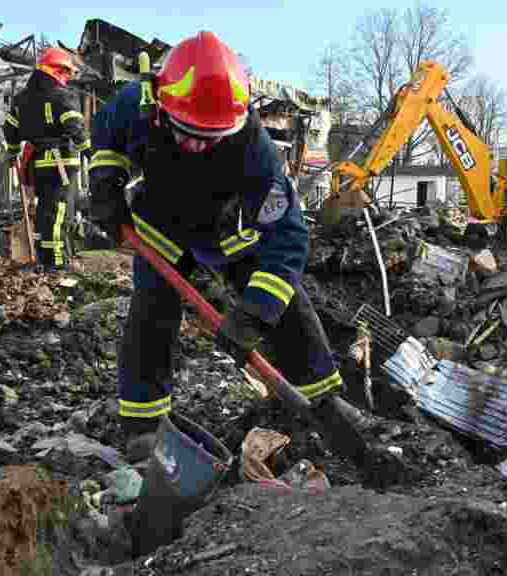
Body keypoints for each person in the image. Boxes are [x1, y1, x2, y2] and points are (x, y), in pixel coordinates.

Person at [87, 31, 345, 456]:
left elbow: (287, 235)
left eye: (210, 137)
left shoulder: (256, 150)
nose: (196, 145)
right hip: (160, 228)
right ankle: (144, 424)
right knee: (150, 315)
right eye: (186, 131)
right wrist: (105, 183)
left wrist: (256, 315)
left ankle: (325, 403)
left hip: (226, 234)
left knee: (287, 305)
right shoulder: (136, 101)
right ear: (161, 103)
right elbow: (106, 136)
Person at [2, 47, 90, 272]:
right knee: (60, 213)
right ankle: (57, 263)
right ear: (57, 71)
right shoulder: (63, 96)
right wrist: (93, 156)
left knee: (46, 212)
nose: (66, 78)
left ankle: (46, 257)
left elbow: (10, 129)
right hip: (60, 165)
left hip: (36, 165)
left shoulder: (21, 98)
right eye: (65, 73)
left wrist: (13, 151)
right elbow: (75, 128)